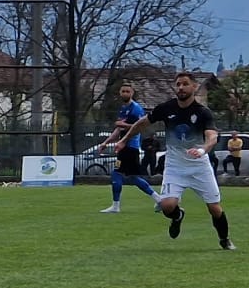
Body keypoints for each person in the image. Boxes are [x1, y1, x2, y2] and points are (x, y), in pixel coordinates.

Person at [93, 71, 235, 250]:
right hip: (175, 167)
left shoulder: (202, 112)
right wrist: (123, 140)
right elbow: (141, 124)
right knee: (167, 205)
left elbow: (212, 137)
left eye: (185, 84)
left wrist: (202, 149)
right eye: (178, 84)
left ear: (194, 87)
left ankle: (224, 239)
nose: (181, 87)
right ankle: (177, 216)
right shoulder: (167, 108)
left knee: (214, 208)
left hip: (199, 167)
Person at [95, 81, 160, 213]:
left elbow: (140, 126)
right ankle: (158, 199)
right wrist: (105, 142)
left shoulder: (135, 108)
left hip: (130, 146)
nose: (125, 93)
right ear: (120, 92)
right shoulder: (123, 109)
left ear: (132, 93)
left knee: (117, 173)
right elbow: (118, 129)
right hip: (125, 147)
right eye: (123, 91)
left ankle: (116, 206)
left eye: (127, 91)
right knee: (132, 177)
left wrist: (122, 125)